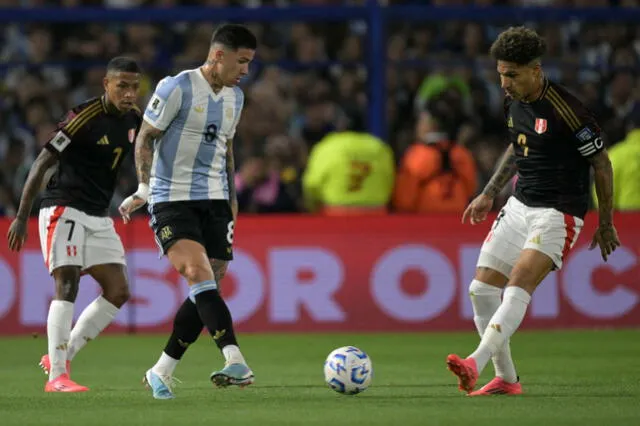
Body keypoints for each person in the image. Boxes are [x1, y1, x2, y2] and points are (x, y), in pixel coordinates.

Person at [446, 27, 621, 396]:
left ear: (536, 70)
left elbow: (602, 165)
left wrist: (605, 223)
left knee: (517, 284)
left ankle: (474, 362)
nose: (505, 83)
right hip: (520, 204)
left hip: (558, 212)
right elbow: (517, 145)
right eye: (501, 74)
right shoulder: (513, 102)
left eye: (512, 75)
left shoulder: (570, 111)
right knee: (480, 291)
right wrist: (489, 192)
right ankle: (507, 380)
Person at [118, 23, 256, 400]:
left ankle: (161, 370)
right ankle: (235, 358)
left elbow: (227, 152)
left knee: (207, 283)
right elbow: (146, 137)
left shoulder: (235, 99)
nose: (245, 70)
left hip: (214, 201)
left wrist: (232, 206)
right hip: (171, 198)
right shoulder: (175, 87)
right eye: (241, 62)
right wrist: (144, 188)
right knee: (196, 272)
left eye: (249, 63)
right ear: (218, 55)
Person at [6, 57, 142, 392]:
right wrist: (22, 217)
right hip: (62, 208)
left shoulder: (135, 120)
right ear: (106, 85)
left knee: (119, 290)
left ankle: (61, 358)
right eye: (121, 85)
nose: (128, 93)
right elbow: (42, 162)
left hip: (98, 214)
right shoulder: (84, 117)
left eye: (134, 86)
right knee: (67, 283)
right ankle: (57, 380)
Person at [302, 131, 395, 215]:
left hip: (334, 215)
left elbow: (312, 184)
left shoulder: (327, 146)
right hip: (376, 215)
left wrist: (312, 208)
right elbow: (390, 179)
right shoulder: (379, 147)